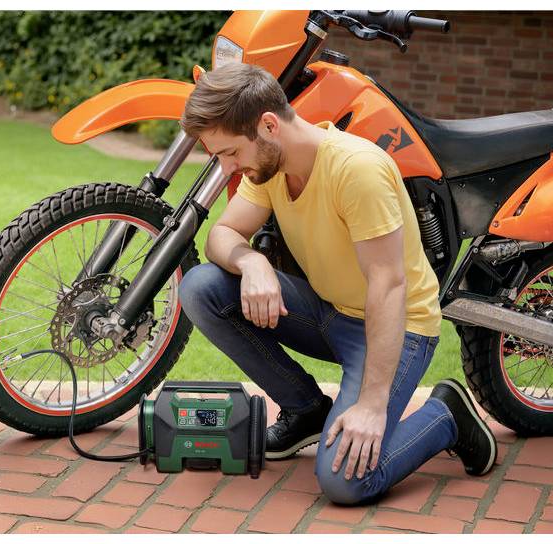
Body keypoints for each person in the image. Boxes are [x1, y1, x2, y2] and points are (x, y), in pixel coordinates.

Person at [177, 62, 496, 505]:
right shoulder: (268, 167)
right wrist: (251, 262)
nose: (229, 167)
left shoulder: (355, 169)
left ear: (268, 125)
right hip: (328, 312)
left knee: (345, 482)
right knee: (202, 286)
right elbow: (222, 236)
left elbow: (389, 285)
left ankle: (446, 416)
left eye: (230, 152)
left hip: (396, 328)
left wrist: (370, 405)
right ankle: (307, 411)